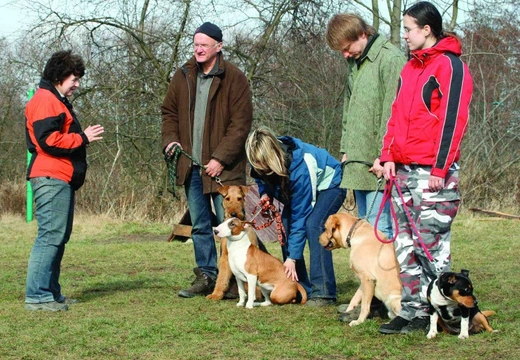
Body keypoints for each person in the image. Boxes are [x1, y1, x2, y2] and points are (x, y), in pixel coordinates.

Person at [378, 1, 473, 334]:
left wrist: (440, 169)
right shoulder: (409, 69)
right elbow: (395, 116)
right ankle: (412, 310)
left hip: (433, 173)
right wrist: (387, 155)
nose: (404, 36)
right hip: (402, 170)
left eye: (408, 29)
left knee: (430, 246)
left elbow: (453, 121)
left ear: (426, 30)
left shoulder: (450, 67)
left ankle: (439, 313)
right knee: (405, 246)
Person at [161, 22, 253, 298]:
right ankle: (207, 275)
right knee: (200, 225)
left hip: (224, 171)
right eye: (196, 44)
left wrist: (220, 159)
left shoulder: (235, 78)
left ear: (218, 47)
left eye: (204, 44)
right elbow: (168, 112)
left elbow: (241, 124)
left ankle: (239, 281)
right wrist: (171, 140)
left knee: (234, 224)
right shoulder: (182, 76)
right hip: (191, 168)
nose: (198, 49)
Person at [325, 13, 406, 321]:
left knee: (380, 233)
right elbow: (349, 111)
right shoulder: (355, 64)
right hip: (357, 164)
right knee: (364, 232)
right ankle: (368, 299)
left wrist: (385, 154)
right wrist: (346, 148)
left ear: (361, 34)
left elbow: (392, 109)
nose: (345, 55)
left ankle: (378, 301)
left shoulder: (390, 58)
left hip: (379, 163)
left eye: (347, 47)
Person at [25, 50, 104, 311]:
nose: (77, 84)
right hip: (51, 176)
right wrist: (82, 138)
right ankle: (37, 296)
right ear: (59, 77)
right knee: (50, 236)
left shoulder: (53, 99)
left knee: (57, 236)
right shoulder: (46, 100)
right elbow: (48, 140)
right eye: (74, 79)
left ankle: (51, 293)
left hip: (60, 177)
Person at [245, 126, 346, 307]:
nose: (261, 169)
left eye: (265, 166)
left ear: (273, 157)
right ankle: (299, 288)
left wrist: (292, 258)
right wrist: (264, 194)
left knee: (314, 225)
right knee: (284, 226)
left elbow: (301, 214)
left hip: (331, 185)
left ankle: (324, 292)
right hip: (299, 187)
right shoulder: (258, 159)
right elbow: (261, 179)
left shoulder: (300, 167)